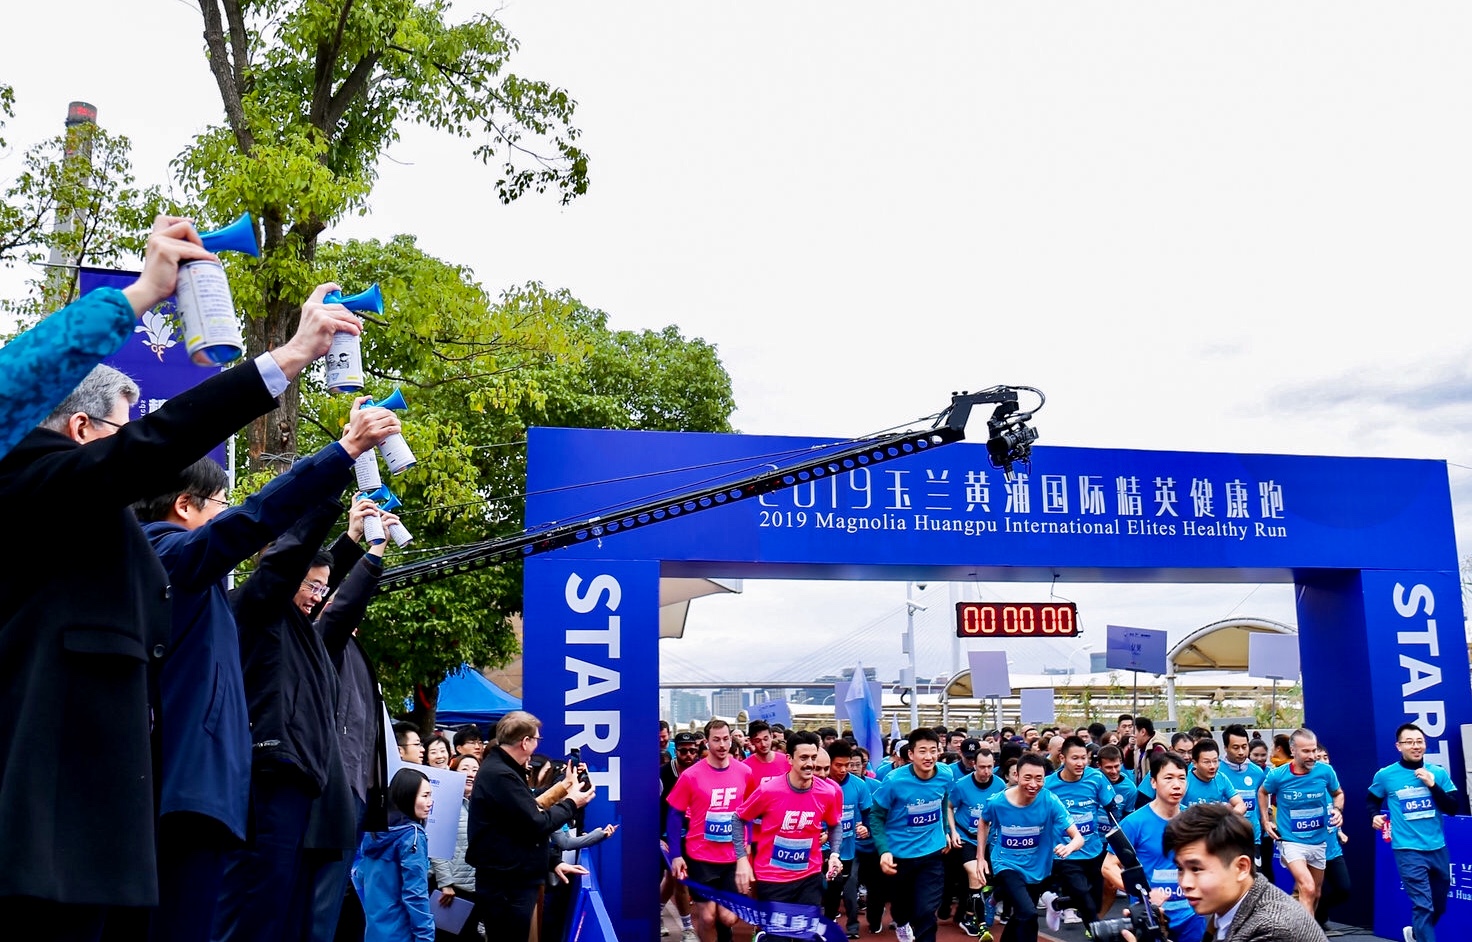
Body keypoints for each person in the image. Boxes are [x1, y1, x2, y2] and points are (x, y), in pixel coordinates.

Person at [0, 216, 361, 937]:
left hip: (108, 812)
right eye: (122, 428)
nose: (135, 442)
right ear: (80, 430)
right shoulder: (37, 486)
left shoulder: (97, 528)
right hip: (58, 814)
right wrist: (284, 357)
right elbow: (168, 454)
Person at [132, 401, 397, 942]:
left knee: (272, 917)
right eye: (220, 505)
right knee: (247, 918)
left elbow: (316, 580)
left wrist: (354, 544)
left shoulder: (272, 618)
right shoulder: (236, 597)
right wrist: (344, 453)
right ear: (184, 505)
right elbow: (280, 557)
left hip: (264, 781)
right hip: (250, 777)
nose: (318, 593)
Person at [466, 711, 595, 942]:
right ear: (525, 742)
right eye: (537, 739)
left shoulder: (503, 770)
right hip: (507, 885)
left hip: (511, 880)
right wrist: (571, 802)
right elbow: (536, 822)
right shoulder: (501, 774)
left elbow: (523, 818)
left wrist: (565, 786)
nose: (537, 745)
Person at [1163, 802, 1329, 942]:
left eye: (1196, 869)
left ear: (1242, 867)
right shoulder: (1229, 906)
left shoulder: (1273, 930)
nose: (1185, 883)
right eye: (1180, 868)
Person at [733, 730, 843, 920]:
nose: (810, 764)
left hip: (809, 876)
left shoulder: (827, 792)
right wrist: (742, 859)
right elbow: (738, 818)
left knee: (805, 931)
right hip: (772, 878)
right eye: (803, 758)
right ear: (790, 759)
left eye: (813, 757)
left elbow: (835, 824)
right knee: (779, 933)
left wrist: (834, 854)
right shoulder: (769, 790)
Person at [976, 753, 1083, 942]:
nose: (1033, 784)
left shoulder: (1050, 801)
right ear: (1016, 776)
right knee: (1028, 913)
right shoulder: (998, 802)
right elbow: (983, 822)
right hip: (1006, 864)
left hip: (1037, 868)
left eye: (1039, 778)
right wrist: (980, 858)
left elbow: (1078, 837)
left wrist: (1070, 847)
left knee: (1022, 916)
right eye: (1028, 778)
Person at [1368, 722, 1458, 942]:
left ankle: (1416, 934)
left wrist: (1432, 785)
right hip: (1407, 849)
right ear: (1399, 746)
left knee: (1438, 906)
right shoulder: (1386, 775)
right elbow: (1372, 799)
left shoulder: (1437, 773)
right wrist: (1375, 815)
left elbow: (1453, 808)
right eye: (1409, 742)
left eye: (1419, 742)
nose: (1415, 746)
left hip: (1437, 847)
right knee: (1423, 906)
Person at [667, 718, 753, 942]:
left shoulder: (745, 772)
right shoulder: (691, 775)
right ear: (706, 742)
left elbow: (749, 810)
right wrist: (676, 855)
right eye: (716, 740)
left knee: (727, 917)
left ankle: (725, 933)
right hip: (701, 856)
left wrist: (748, 842)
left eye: (725, 739)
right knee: (707, 917)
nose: (722, 745)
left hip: (732, 856)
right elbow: (675, 815)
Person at [1106, 753, 1206, 942]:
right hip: (1151, 916)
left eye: (1182, 778)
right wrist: (1144, 893)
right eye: (1168, 778)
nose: (1176, 785)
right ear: (1153, 782)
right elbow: (1108, 866)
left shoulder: (1195, 821)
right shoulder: (1134, 823)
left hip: (1191, 916)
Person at [869, 728, 953, 942]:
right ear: (911, 754)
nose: (928, 756)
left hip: (932, 853)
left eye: (933, 750)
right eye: (922, 751)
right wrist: (883, 851)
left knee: (926, 912)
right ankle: (901, 921)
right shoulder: (894, 781)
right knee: (901, 907)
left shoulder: (945, 774)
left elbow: (943, 800)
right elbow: (876, 816)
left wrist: (945, 830)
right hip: (900, 855)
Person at [1258, 728, 1343, 916]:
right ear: (1293, 750)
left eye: (1313, 750)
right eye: (1306, 751)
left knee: (1316, 892)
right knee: (1308, 887)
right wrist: (1266, 820)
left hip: (1318, 840)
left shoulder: (1325, 771)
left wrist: (1337, 810)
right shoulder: (1278, 775)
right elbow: (1263, 792)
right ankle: (1307, 931)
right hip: (1291, 841)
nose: (1312, 756)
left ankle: (1292, 923)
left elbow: (1338, 793)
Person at [1039, 736, 1118, 931]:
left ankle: (1057, 904)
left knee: (1096, 900)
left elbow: (1111, 810)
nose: (1080, 763)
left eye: (1084, 758)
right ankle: (1098, 934)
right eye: (1075, 758)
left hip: (1094, 849)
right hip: (1065, 853)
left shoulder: (1096, 778)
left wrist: (1116, 840)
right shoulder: (1048, 785)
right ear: (1062, 758)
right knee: (1085, 901)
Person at [352, 768, 435, 942]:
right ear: (407, 796)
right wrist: (425, 936)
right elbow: (415, 893)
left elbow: (360, 875)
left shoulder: (373, 831)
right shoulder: (412, 835)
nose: (430, 802)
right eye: (425, 795)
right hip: (402, 931)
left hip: (374, 929)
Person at [946, 744, 1003, 939]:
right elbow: (949, 807)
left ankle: (968, 913)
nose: (986, 771)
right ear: (974, 765)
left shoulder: (1000, 785)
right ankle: (974, 921)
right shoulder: (962, 785)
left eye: (989, 767)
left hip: (988, 840)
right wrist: (952, 831)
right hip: (966, 837)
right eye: (982, 767)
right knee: (975, 874)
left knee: (987, 880)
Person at [823, 739, 873, 941]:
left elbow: (868, 813)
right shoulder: (820, 784)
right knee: (828, 886)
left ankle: (843, 923)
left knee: (843, 887)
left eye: (847, 764)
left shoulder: (858, 785)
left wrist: (865, 827)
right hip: (823, 848)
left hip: (848, 849)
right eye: (838, 765)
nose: (843, 769)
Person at [430, 755, 481, 940]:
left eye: (475, 770)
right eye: (464, 769)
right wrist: (445, 883)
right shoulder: (445, 803)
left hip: (474, 887)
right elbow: (436, 845)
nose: (470, 774)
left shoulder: (481, 805)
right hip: (451, 888)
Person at [1181, 739, 1245, 813]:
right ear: (1195, 763)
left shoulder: (1221, 778)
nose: (1212, 766)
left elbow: (1240, 805)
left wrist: (1229, 818)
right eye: (1206, 762)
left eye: (1215, 761)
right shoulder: (1185, 780)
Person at [745, 720, 791, 785]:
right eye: (758, 741)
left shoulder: (787, 761)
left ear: (771, 736)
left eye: (766, 739)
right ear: (751, 741)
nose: (763, 744)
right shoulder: (745, 767)